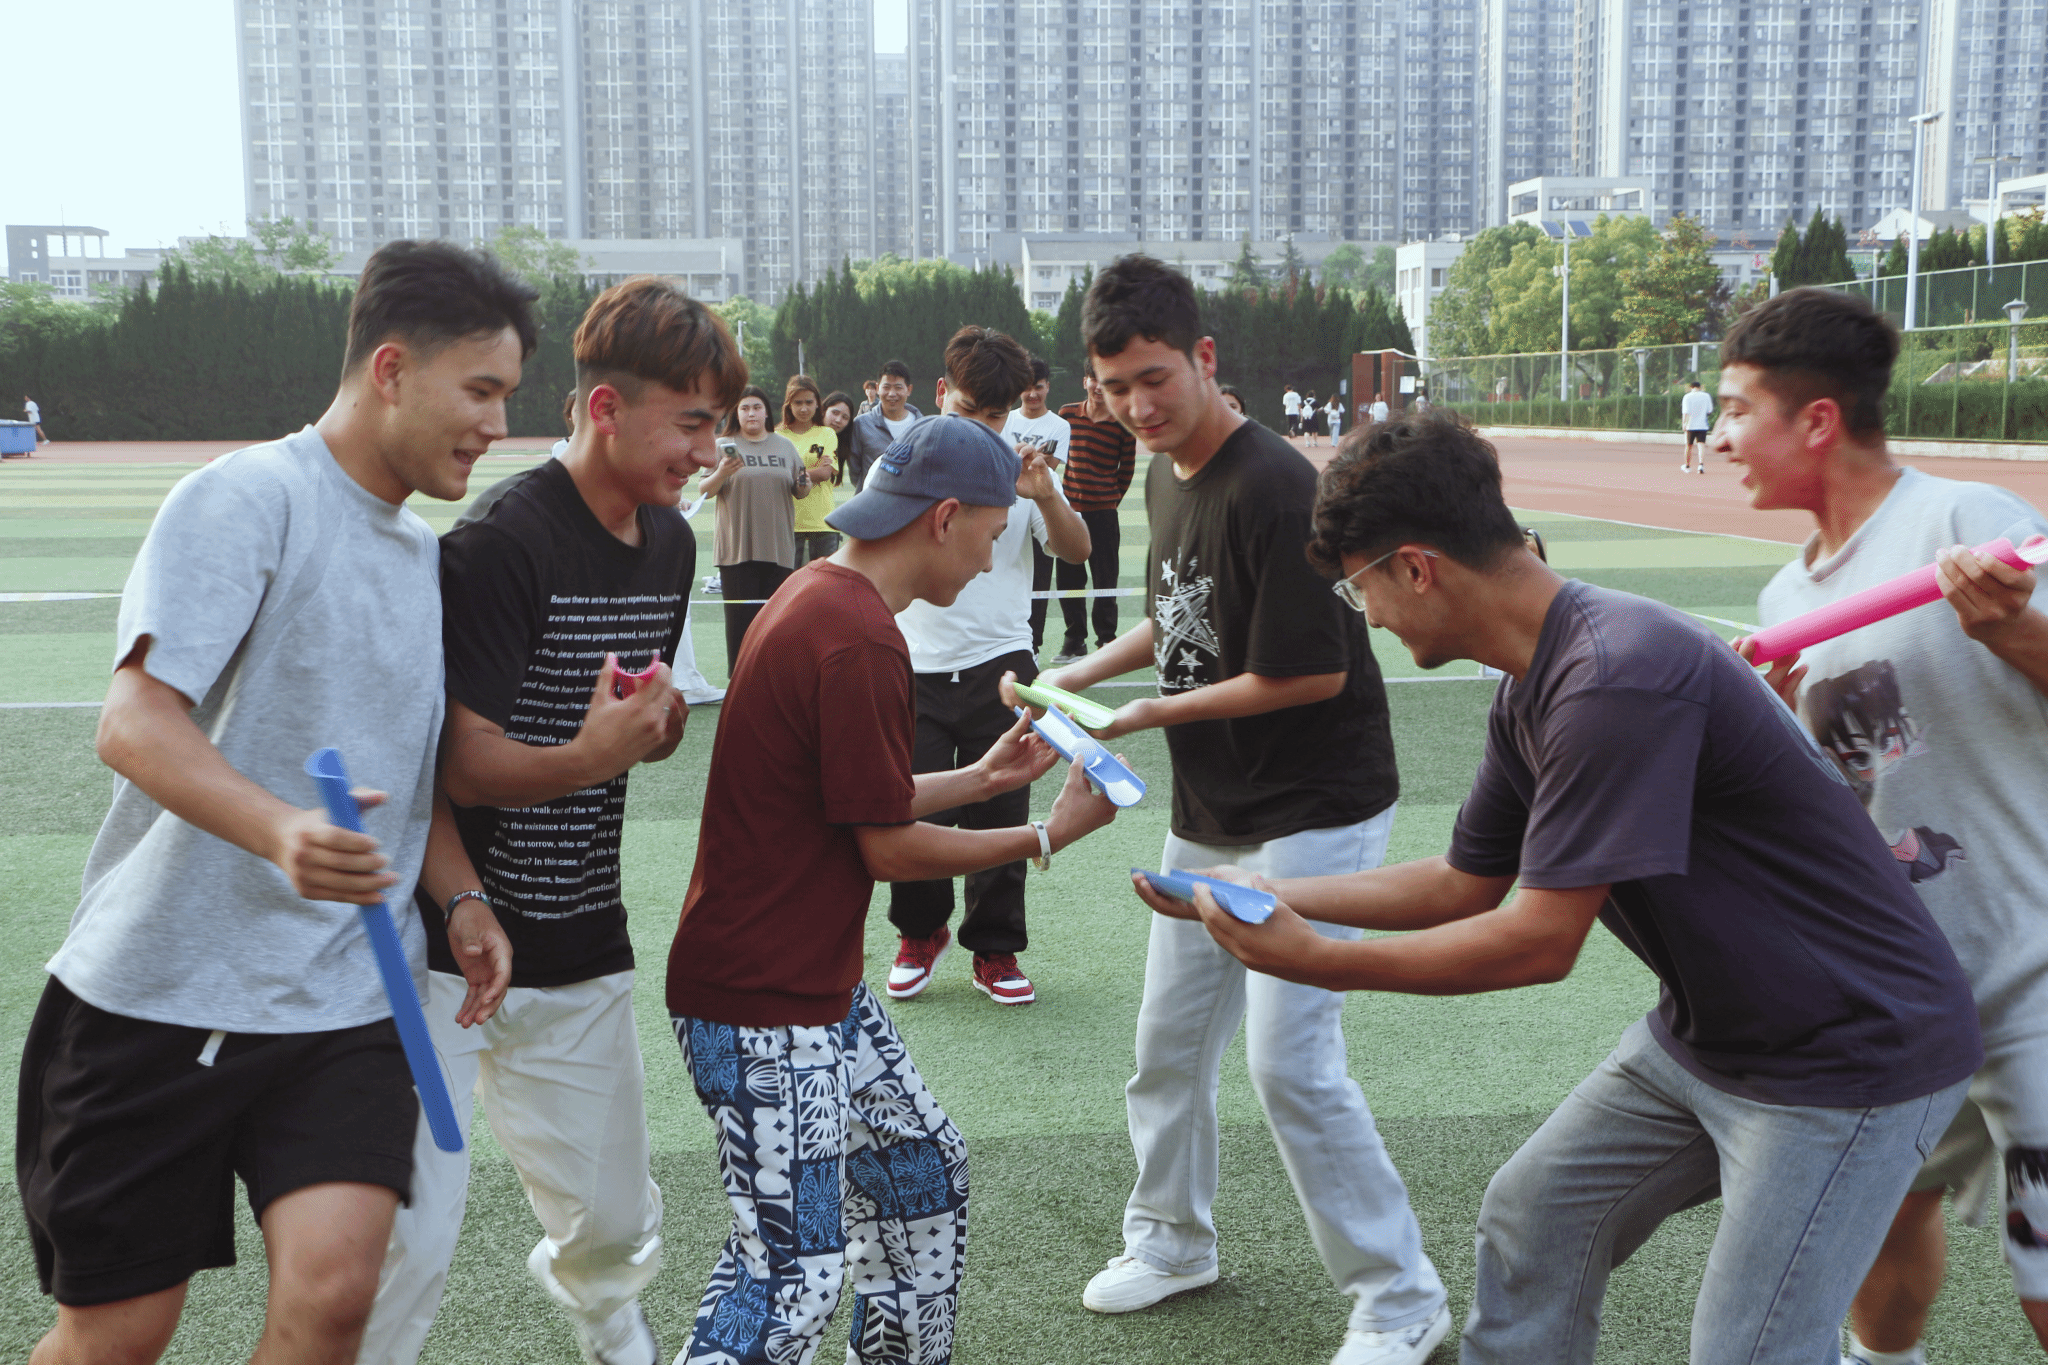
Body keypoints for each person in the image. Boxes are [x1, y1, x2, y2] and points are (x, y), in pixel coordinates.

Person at [1145, 407, 1984, 1365]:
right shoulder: (1535, 680)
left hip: (1853, 1055)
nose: (1365, 616)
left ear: (1416, 568)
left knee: (1750, 1350)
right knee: (1532, 1219)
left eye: (1358, 588)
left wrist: (1317, 961)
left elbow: (1538, 942)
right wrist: (1270, 890)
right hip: (1718, 1038)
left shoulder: (1614, 676)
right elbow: (1462, 882)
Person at [15, 239, 527, 1365]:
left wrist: (460, 898)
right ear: (391, 369)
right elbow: (132, 723)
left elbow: (404, 773)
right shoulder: (247, 496)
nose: (498, 425)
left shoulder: (417, 553)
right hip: (164, 992)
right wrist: (280, 829)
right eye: (481, 391)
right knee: (115, 1337)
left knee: (336, 1296)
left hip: (346, 997)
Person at [1026, 255, 1448, 1365]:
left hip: (1315, 810)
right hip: (1213, 806)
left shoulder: (1275, 486)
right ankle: (1170, 1242)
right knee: (1165, 1047)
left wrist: (1141, 715)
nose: (1137, 406)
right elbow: (1180, 620)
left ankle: (1400, 1299)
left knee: (1288, 1062)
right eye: (1114, 388)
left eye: (1154, 379)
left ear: (1204, 358)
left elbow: (1308, 672)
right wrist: (1081, 675)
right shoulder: (1166, 476)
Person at [663, 413, 1121, 1365]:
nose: (990, 558)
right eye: (991, 534)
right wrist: (1044, 832)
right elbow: (885, 846)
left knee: (922, 1172)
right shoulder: (860, 636)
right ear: (944, 518)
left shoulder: (821, 596)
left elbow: (854, 797)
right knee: (791, 1273)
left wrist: (981, 778)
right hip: (762, 1000)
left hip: (807, 984)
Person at [355, 276, 744, 1365]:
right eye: (691, 423)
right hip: (442, 945)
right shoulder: (500, 544)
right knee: (405, 1236)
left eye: (715, 423)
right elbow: (462, 765)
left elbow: (620, 716)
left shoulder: (668, 542)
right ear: (605, 408)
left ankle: (608, 1323)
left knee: (612, 1219)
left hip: (577, 935)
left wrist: (647, 732)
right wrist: (593, 753)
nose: (706, 451)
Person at [1719, 288, 2048, 1365]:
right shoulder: (1787, 600)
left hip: (2034, 962)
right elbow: (1848, 801)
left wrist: (2015, 633)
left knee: (2044, 1269)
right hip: (1908, 983)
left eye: (1737, 410)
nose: (1719, 438)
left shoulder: (1965, 522)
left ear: (1816, 420)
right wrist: (1771, 733)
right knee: (1883, 1216)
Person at [888, 330, 1091, 1008]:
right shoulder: (900, 461)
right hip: (912, 664)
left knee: (1000, 806)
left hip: (1001, 666)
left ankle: (995, 947)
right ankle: (920, 933)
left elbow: (1077, 550)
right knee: (909, 809)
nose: (982, 426)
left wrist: (1047, 495)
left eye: (996, 415)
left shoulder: (1021, 470)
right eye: (968, 409)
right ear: (941, 393)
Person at [698, 384, 808, 671]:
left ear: (766, 412)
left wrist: (804, 483)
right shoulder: (724, 445)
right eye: (745, 408)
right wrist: (723, 471)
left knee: (776, 626)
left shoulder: (784, 446)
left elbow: (800, 489)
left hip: (778, 549)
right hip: (737, 550)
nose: (751, 413)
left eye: (757, 407)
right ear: (736, 413)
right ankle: (739, 683)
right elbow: (704, 491)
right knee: (740, 628)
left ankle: (773, 684)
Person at [1047, 355, 1140, 665]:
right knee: (1069, 580)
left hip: (1103, 513)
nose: (1098, 387)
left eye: (1104, 381)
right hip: (1070, 511)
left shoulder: (1122, 422)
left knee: (1105, 579)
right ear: (1085, 381)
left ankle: (1106, 641)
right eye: (1093, 379)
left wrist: (1110, 499)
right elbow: (1054, 457)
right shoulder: (1066, 415)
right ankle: (1075, 640)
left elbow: (1126, 470)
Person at [780, 374, 842, 567]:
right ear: (789, 405)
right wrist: (813, 470)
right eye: (798, 402)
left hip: (823, 523)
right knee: (788, 583)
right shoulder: (777, 436)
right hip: (788, 525)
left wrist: (791, 474)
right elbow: (778, 477)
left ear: (817, 404)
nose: (804, 408)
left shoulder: (827, 434)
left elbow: (825, 473)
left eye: (809, 402)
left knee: (825, 582)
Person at [844, 360, 922, 490]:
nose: (892, 394)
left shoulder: (921, 426)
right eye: (886, 387)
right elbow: (855, 472)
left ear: (909, 390)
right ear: (877, 388)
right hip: (871, 500)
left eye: (898, 387)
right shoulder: (861, 424)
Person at [820, 388, 857, 487]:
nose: (838, 420)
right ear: (824, 410)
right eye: (835, 413)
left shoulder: (840, 445)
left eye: (845, 417)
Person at [1681, 378, 1714, 474]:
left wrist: (1684, 423)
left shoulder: (1687, 397)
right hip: (1702, 425)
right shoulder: (1706, 396)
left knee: (1688, 445)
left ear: (1691, 387)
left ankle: (1687, 466)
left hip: (1690, 425)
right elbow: (1709, 410)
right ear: (1700, 387)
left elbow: (1685, 412)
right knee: (1701, 445)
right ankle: (1701, 465)